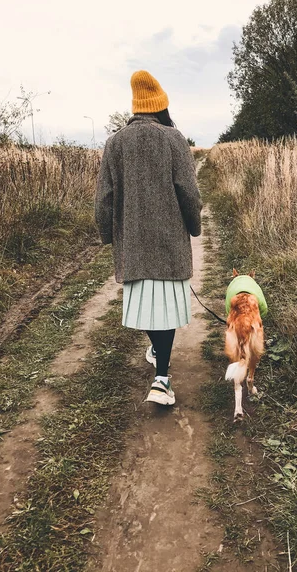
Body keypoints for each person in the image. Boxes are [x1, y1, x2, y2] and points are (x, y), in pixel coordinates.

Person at [95, 70, 202, 406]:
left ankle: (158, 355)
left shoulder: (115, 143)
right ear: (161, 106)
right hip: (169, 240)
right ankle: (162, 379)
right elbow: (188, 193)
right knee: (166, 309)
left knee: (145, 305)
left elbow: (103, 199)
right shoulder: (174, 139)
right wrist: (194, 226)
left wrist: (107, 234)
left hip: (134, 243)